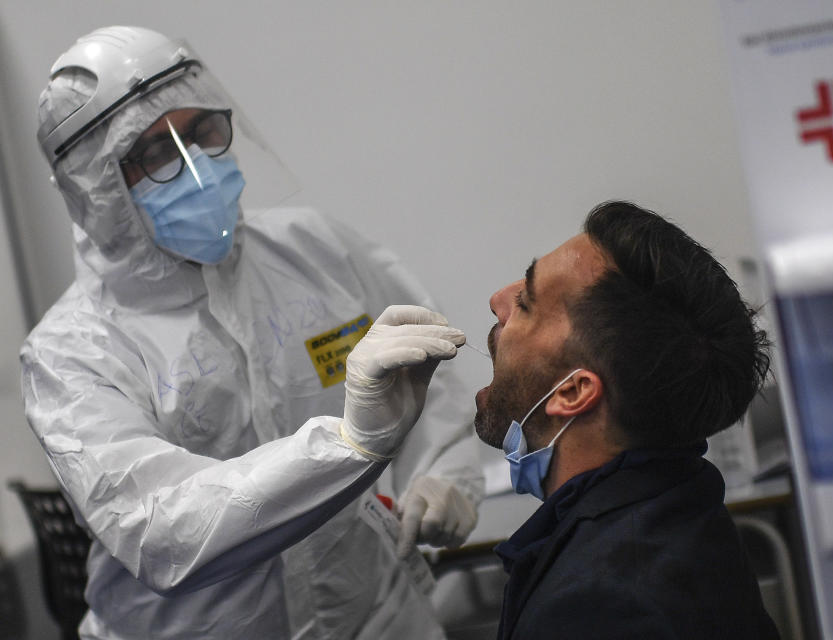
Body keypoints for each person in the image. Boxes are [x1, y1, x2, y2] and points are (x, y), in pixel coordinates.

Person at [21, 26, 482, 639]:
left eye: (202, 131)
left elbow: (427, 361)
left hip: (378, 616)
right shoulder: (72, 355)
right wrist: (350, 444)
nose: (198, 164)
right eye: (157, 152)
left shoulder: (313, 248)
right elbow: (160, 530)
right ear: (99, 190)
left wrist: (443, 473)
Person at [474, 201, 780, 639]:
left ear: (574, 392)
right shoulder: (681, 498)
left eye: (525, 302)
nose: (497, 301)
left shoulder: (600, 609)